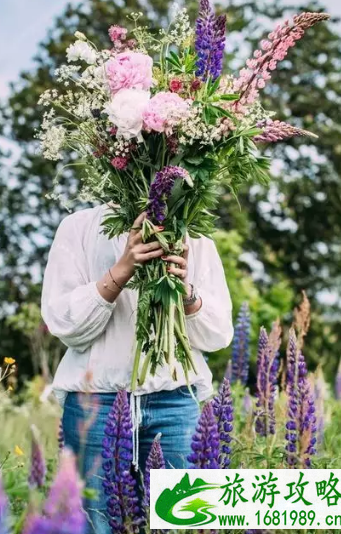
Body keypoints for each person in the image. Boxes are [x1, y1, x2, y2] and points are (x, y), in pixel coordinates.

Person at [41, 203, 233, 534]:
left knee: (184, 525)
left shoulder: (194, 232)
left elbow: (218, 335)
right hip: (95, 402)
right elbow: (65, 324)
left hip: (174, 403)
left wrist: (185, 291)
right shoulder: (78, 227)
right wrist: (123, 268)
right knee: (92, 524)